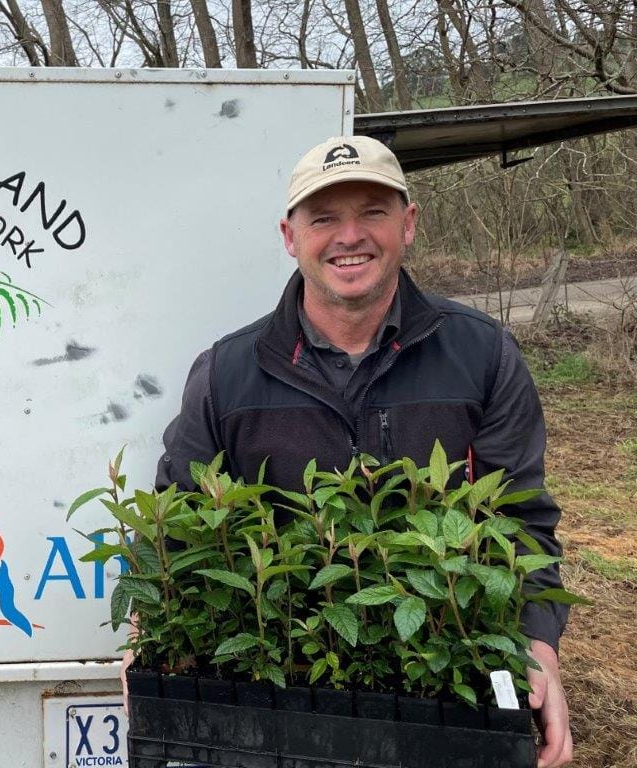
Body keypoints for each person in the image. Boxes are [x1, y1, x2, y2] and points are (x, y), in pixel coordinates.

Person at [128, 135, 572, 768]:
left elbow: (523, 527)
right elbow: (172, 521)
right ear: (290, 235)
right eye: (324, 217)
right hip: (275, 691)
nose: (349, 236)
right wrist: (150, 637)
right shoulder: (228, 372)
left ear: (408, 223)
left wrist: (539, 648)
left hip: (440, 687)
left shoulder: (483, 356)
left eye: (372, 211)